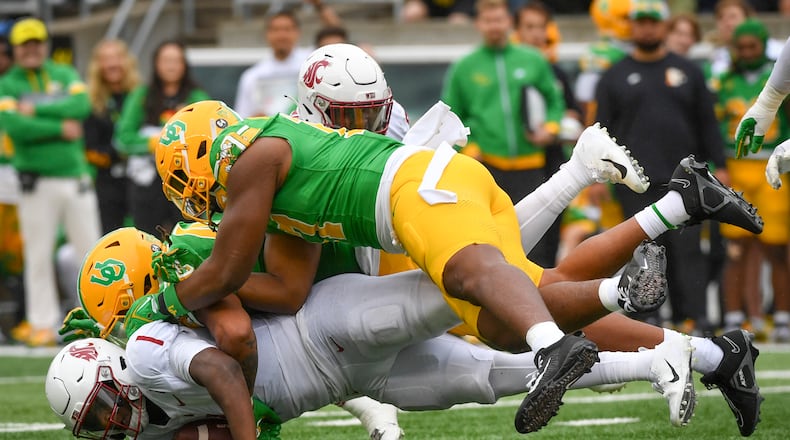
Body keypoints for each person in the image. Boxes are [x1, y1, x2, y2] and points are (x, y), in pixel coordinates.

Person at [593, 0, 731, 334]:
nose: (647, 28)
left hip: (686, 180)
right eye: (640, 22)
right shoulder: (614, 76)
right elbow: (601, 130)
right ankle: (648, 319)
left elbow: (707, 123)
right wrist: (597, 176)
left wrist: (721, 166)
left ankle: (694, 318)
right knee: (643, 254)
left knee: (688, 252)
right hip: (634, 181)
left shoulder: (689, 71)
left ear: (664, 26)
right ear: (631, 26)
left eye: (653, 22)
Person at [0, 17, 101, 346]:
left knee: (91, 253)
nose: (32, 49)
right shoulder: (8, 83)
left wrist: (35, 111)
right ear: (15, 49)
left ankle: (99, 317)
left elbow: (82, 105)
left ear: (45, 44)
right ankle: (42, 323)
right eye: (25, 44)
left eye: (37, 42)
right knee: (38, 255)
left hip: (75, 178)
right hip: (36, 182)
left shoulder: (64, 72)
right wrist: (59, 126)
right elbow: (14, 126)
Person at [441, 0, 565, 267]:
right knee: (493, 237)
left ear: (509, 22)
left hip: (531, 165)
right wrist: (471, 149)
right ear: (479, 24)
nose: (494, 26)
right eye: (488, 21)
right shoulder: (465, 67)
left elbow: (555, 100)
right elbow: (451, 114)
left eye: (499, 20)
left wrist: (551, 128)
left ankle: (541, 301)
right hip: (487, 168)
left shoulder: (532, 59)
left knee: (537, 242)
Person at [715, 19, 790, 341]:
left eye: (752, 47)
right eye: (740, 47)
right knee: (735, 247)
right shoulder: (724, 81)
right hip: (737, 164)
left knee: (776, 247)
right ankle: (735, 316)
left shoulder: (770, 71)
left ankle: (782, 318)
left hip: (774, 161)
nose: (746, 53)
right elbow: (712, 124)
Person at [115, 40, 209, 236]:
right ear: (156, 64)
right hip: (147, 182)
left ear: (184, 65)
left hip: (186, 184)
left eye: (176, 60)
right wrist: (153, 143)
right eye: (166, 60)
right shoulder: (142, 95)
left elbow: (208, 137)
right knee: (147, 239)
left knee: (189, 236)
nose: (171, 66)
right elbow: (123, 139)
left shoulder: (197, 96)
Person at [84, 39, 140, 233]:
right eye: (106, 59)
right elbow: (89, 149)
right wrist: (120, 152)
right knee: (110, 236)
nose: (112, 64)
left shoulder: (140, 94)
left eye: (117, 57)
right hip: (107, 180)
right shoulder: (91, 100)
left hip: (140, 178)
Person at [234, 11, 311, 118]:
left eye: (287, 29)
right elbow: (242, 118)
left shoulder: (311, 65)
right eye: (276, 30)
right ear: (267, 34)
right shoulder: (252, 76)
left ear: (298, 32)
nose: (281, 35)